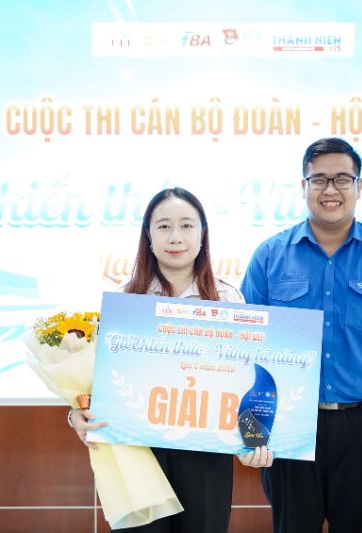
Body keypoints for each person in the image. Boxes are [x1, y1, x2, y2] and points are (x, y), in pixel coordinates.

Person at [240, 138, 362, 533]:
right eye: (319, 179)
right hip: (289, 424)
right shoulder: (269, 257)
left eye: (343, 179)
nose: (331, 189)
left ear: (360, 186)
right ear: (303, 186)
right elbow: (247, 346)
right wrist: (251, 428)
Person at [70, 187, 273, 533]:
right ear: (148, 236)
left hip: (206, 453)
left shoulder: (227, 298)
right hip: (136, 452)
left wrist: (253, 440)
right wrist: (76, 414)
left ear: (202, 234)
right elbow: (94, 382)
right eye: (163, 226)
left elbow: (243, 382)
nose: (175, 237)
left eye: (186, 226)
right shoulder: (124, 300)